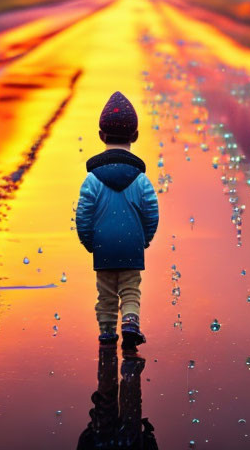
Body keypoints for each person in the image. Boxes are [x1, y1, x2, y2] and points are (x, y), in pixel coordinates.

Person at [76, 91, 159, 350]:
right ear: (134, 136)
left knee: (106, 293)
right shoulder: (141, 179)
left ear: (101, 136)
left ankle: (107, 334)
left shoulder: (92, 179)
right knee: (131, 289)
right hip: (131, 243)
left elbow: (83, 213)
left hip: (103, 245)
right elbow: (151, 212)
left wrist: (89, 241)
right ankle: (131, 323)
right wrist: (145, 239)